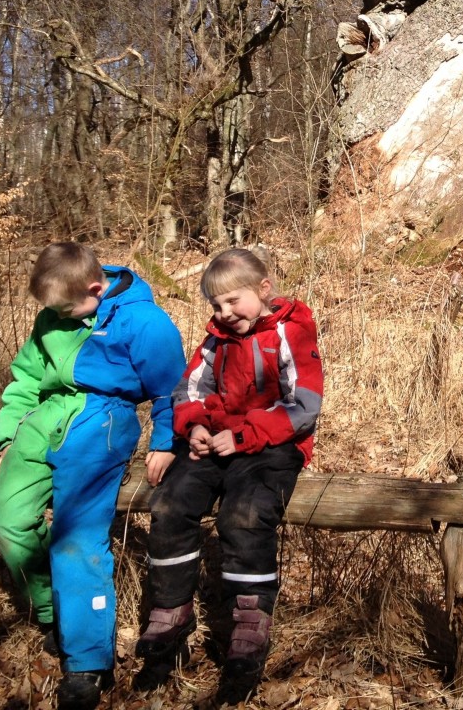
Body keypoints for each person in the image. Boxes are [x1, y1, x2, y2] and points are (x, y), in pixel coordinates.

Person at [0, 242, 186, 710]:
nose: (57, 316)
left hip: (102, 423)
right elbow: (27, 378)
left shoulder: (144, 322)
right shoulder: (57, 309)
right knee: (6, 520)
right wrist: (9, 435)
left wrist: (163, 442)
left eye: (64, 309)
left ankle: (86, 661)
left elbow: (172, 388)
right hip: (43, 422)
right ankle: (53, 611)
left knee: (76, 539)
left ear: (95, 289)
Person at [136, 246, 323, 705]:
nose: (224, 313)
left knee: (243, 514)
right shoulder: (217, 337)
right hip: (217, 441)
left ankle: (250, 623)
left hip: (272, 446)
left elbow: (305, 407)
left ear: (263, 290)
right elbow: (189, 388)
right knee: (171, 503)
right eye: (216, 306)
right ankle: (170, 610)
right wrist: (195, 426)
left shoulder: (290, 332)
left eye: (233, 302)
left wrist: (244, 435)